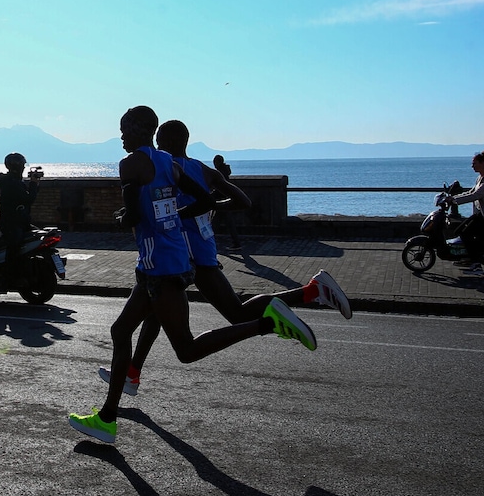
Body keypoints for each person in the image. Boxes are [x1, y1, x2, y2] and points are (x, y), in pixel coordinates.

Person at [68, 106, 319, 444]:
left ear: (142, 130)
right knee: (120, 329)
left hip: (162, 266)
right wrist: (172, 215)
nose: (122, 136)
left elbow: (132, 216)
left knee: (185, 349)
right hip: (164, 260)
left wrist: (122, 218)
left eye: (125, 129)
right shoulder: (167, 165)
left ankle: (268, 323)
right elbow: (206, 200)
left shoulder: (130, 165)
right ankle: (107, 418)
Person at [98, 120, 352, 396]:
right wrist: (209, 208)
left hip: (184, 253)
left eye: (160, 140)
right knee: (156, 315)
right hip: (203, 248)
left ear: (165, 142)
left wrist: (180, 214)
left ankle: (311, 292)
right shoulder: (201, 169)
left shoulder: (165, 165)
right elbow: (243, 202)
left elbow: (152, 207)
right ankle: (132, 374)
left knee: (231, 315)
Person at [0, 152, 40, 284]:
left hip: (20, 221)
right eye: (23, 166)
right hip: (12, 223)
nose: (24, 168)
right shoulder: (11, 183)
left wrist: (34, 184)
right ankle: (10, 276)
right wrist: (33, 184)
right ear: (17, 167)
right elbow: (28, 199)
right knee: (14, 248)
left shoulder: (14, 181)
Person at [450, 152, 484, 275]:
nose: (472, 166)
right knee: (459, 231)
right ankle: (469, 258)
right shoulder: (480, 178)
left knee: (465, 233)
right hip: (479, 215)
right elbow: (470, 192)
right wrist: (453, 197)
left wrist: (454, 200)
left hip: (482, 217)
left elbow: (475, 195)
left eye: (474, 163)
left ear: (482, 163)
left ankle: (476, 265)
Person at [211, 154, 242, 251]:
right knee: (225, 223)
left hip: (222, 200)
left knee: (217, 223)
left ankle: (235, 243)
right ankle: (235, 242)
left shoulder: (220, 173)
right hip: (226, 199)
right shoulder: (225, 172)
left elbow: (219, 187)